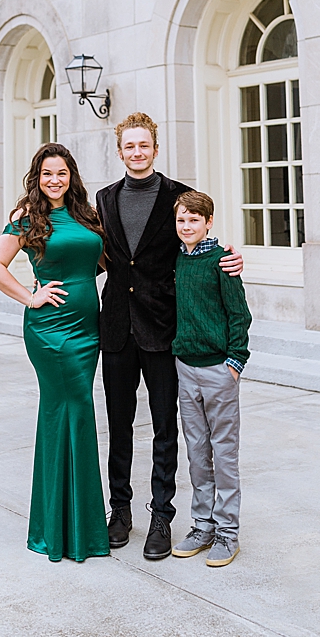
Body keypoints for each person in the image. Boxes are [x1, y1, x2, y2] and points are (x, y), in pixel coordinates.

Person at [95, 111, 243, 561]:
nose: (137, 152)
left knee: (165, 430)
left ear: (155, 149)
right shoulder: (103, 199)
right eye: (129, 146)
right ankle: (119, 511)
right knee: (118, 428)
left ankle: (162, 516)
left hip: (164, 330)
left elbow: (199, 244)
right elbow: (96, 253)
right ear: (120, 151)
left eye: (144, 145)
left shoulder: (179, 197)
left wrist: (232, 257)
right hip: (117, 328)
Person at [0, 142, 110, 563]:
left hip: (88, 331)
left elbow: (108, 262)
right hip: (51, 333)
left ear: (71, 176)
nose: (54, 180)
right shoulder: (25, 219)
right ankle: (61, 529)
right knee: (66, 411)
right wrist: (30, 297)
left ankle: (79, 525)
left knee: (80, 411)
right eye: (46, 174)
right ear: (37, 178)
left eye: (62, 173)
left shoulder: (87, 216)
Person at [168, 191, 251, 567]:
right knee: (197, 453)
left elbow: (239, 314)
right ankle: (202, 525)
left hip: (219, 369)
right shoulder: (179, 261)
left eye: (194, 221)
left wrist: (235, 361)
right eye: (181, 220)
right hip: (186, 368)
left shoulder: (222, 262)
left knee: (224, 452)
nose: (187, 227)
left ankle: (227, 532)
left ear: (208, 223)